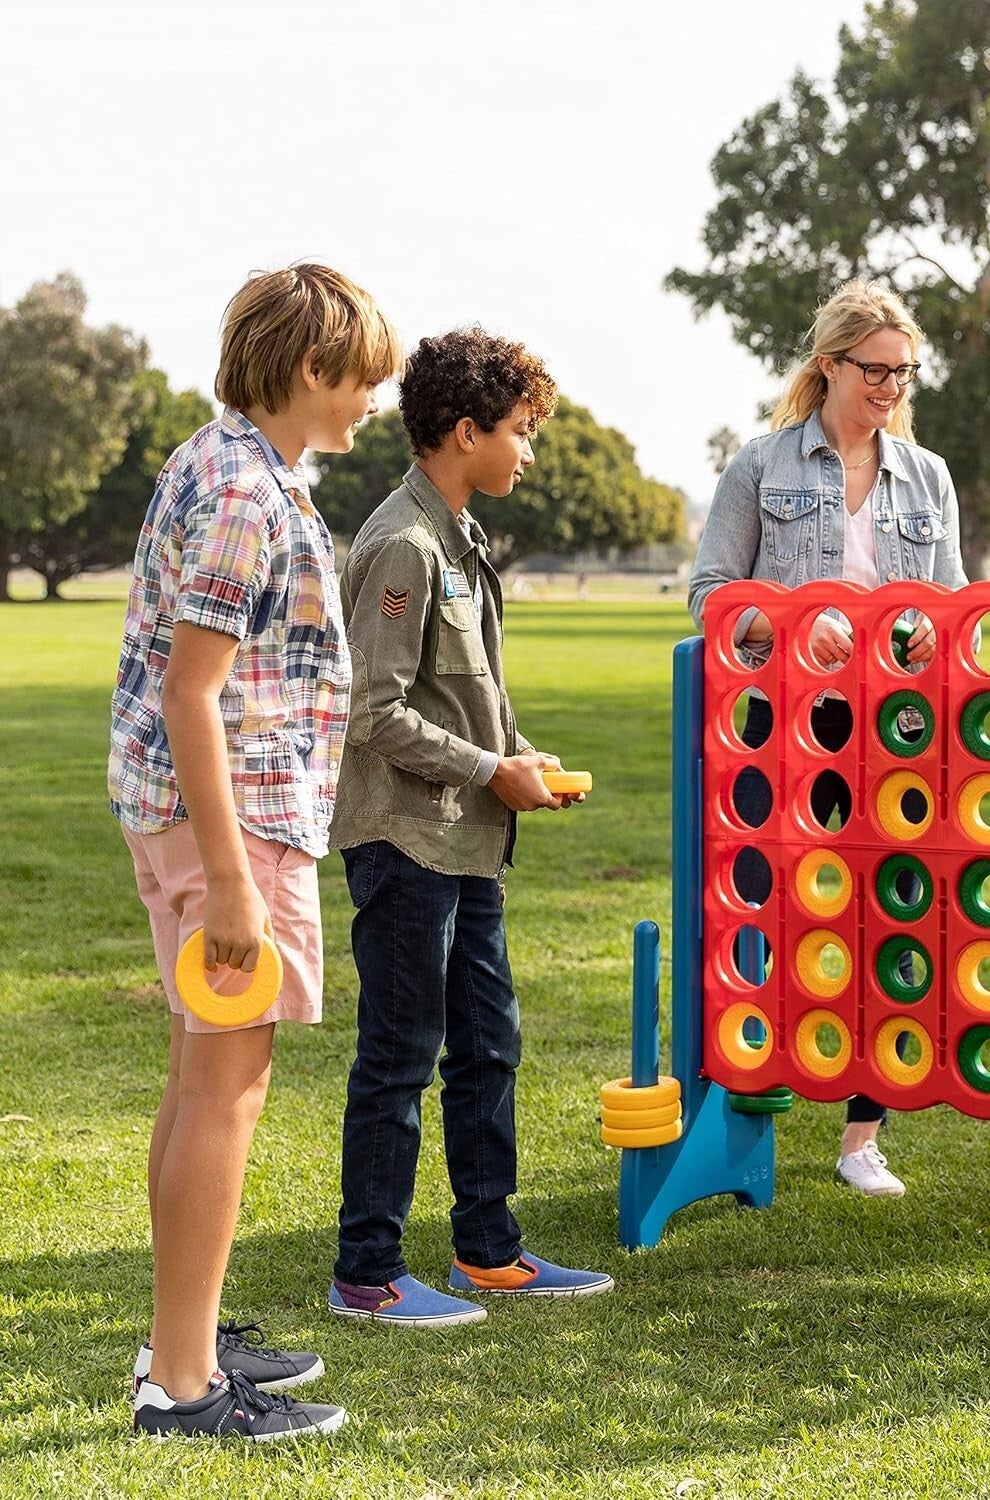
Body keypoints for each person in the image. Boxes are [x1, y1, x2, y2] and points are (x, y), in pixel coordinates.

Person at [111, 263, 400, 1439]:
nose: (375, 398)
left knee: (199, 1081)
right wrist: (233, 880)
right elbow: (195, 695)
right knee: (227, 1090)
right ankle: (179, 1385)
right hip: (230, 823)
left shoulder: (236, 463)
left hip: (202, 813)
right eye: (365, 377)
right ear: (313, 368)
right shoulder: (244, 489)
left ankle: (183, 1330)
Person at [326, 328, 614, 1326]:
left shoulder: (461, 537)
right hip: (406, 843)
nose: (530, 450)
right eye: (521, 431)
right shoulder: (402, 545)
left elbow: (467, 696)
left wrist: (517, 758)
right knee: (401, 1055)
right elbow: (376, 712)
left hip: (469, 842)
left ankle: (489, 1252)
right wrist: (494, 769)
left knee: (489, 1047)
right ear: (463, 431)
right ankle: (367, 1274)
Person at [689, 280, 967, 1198]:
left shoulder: (927, 476)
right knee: (763, 909)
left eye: (904, 372)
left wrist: (939, 629)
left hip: (893, 733)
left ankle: (860, 1139)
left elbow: (957, 609)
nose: (891, 386)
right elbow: (710, 598)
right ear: (830, 366)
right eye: (875, 369)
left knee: (882, 917)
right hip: (779, 730)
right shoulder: (759, 467)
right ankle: (740, 1105)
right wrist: (787, 623)